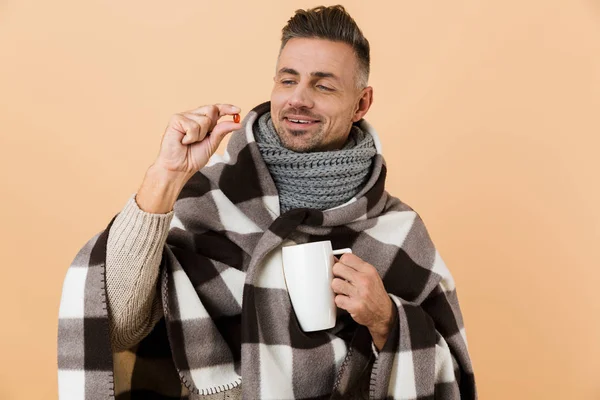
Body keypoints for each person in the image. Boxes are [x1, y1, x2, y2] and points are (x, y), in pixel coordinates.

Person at [58, 5, 476, 399]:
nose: (298, 98)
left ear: (360, 103)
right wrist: (165, 176)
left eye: (324, 85)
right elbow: (117, 325)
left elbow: (451, 381)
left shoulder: (397, 229)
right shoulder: (205, 196)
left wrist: (387, 320)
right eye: (288, 79)